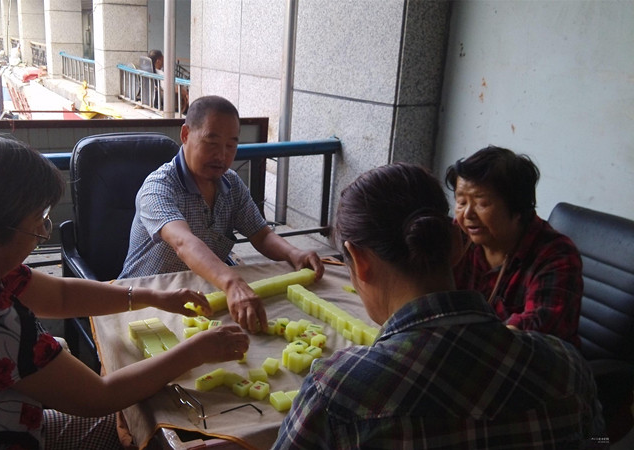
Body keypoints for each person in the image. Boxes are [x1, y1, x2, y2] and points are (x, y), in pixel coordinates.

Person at [0, 128, 250, 449]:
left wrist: (149, 295)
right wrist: (196, 350)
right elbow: (99, 396)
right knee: (132, 427)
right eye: (37, 221)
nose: (44, 231)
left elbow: (56, 295)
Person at [273, 163, 605, 449]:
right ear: (457, 245)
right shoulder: (569, 369)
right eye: (462, 202)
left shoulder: (335, 393)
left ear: (359, 262)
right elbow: (599, 442)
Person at [120, 96, 324, 333]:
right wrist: (233, 282)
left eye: (231, 145)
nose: (222, 155)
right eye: (212, 142)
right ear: (185, 135)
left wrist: (294, 253)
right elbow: (183, 243)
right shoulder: (159, 187)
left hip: (204, 296)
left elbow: (261, 235)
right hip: (147, 299)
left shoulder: (231, 184)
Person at [445, 146, 582, 347]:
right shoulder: (460, 236)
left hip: (530, 365)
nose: (467, 215)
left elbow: (536, 328)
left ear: (518, 207)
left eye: (481, 203)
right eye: (461, 201)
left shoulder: (556, 255)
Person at [148, 49, 190, 114]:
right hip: (166, 98)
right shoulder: (160, 74)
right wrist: (185, 93)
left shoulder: (149, 71)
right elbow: (170, 87)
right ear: (158, 61)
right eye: (162, 59)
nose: (164, 61)